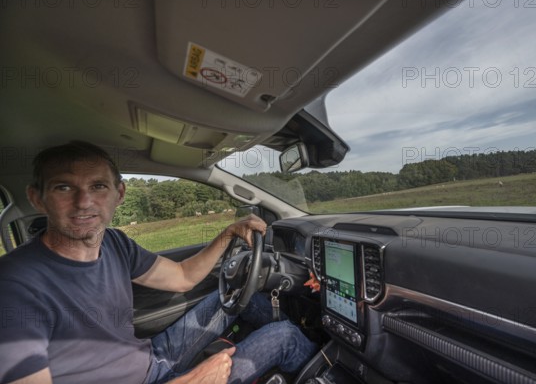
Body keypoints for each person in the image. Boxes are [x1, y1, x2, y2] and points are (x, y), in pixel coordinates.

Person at [0, 141, 317, 384]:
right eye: (64, 187)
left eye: (98, 186)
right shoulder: (14, 285)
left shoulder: (115, 243)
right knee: (286, 337)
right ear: (37, 198)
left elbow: (181, 277)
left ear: (119, 194)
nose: (84, 202)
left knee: (232, 298)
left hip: (154, 356)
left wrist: (228, 233)